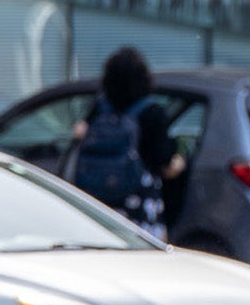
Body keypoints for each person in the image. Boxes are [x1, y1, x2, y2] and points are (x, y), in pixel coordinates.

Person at [68, 46, 185, 238]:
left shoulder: (99, 109)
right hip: (136, 204)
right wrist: (180, 162)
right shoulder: (152, 113)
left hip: (96, 202)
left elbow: (79, 133)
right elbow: (165, 165)